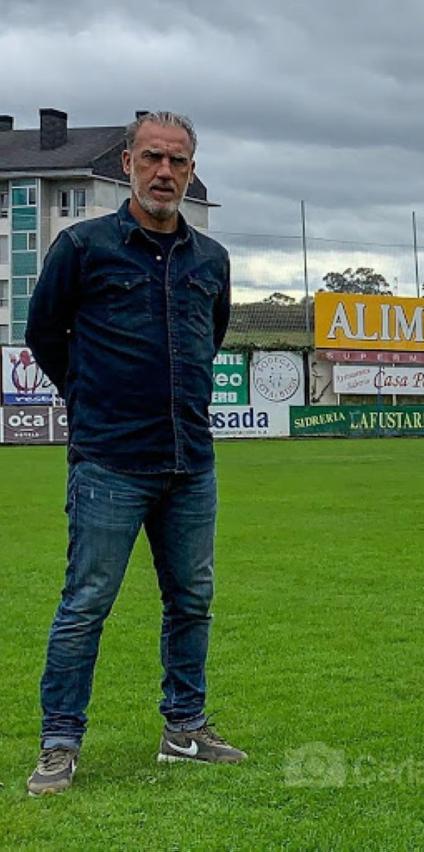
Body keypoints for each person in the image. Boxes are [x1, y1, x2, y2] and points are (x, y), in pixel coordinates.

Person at [25, 111, 246, 796]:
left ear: (190, 170)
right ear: (126, 163)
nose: (165, 173)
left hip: (191, 463)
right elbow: (44, 335)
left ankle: (185, 729)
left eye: (179, 162)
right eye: (153, 158)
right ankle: (60, 742)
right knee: (85, 603)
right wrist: (94, 401)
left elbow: (208, 340)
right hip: (110, 463)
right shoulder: (84, 248)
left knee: (193, 601)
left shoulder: (211, 259)